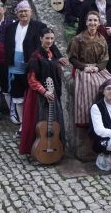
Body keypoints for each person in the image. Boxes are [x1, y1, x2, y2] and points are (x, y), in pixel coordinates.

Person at [5, 1, 67, 135]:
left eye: (25, 11)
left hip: (32, 65)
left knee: (31, 96)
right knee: (17, 96)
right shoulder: (11, 27)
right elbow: (7, 45)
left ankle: (32, 124)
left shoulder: (39, 26)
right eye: (20, 11)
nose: (23, 13)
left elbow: (50, 42)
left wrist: (59, 56)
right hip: (14, 66)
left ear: (31, 12)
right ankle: (22, 124)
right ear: (16, 13)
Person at [19, 28, 66, 156]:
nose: (49, 41)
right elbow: (31, 79)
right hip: (38, 97)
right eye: (47, 38)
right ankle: (38, 149)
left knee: (54, 122)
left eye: (51, 38)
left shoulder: (52, 54)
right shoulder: (36, 56)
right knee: (40, 122)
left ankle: (55, 148)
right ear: (41, 38)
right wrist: (44, 92)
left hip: (53, 93)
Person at [68, 11, 111, 126]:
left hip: (98, 68)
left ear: (99, 23)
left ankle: (109, 115)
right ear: (86, 22)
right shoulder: (78, 39)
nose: (92, 23)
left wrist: (97, 68)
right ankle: (87, 118)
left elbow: (105, 59)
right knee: (91, 85)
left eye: (95, 20)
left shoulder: (102, 39)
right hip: (83, 68)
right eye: (90, 20)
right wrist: (84, 67)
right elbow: (72, 58)